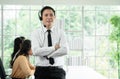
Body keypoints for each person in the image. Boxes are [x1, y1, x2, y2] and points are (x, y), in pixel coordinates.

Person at [31, 6, 68, 79]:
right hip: (41, 71)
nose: (49, 17)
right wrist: (54, 48)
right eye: (46, 15)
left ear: (54, 17)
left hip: (58, 71)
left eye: (51, 15)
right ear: (41, 17)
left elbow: (65, 50)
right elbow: (35, 51)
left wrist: (48, 55)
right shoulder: (35, 33)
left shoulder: (61, 32)